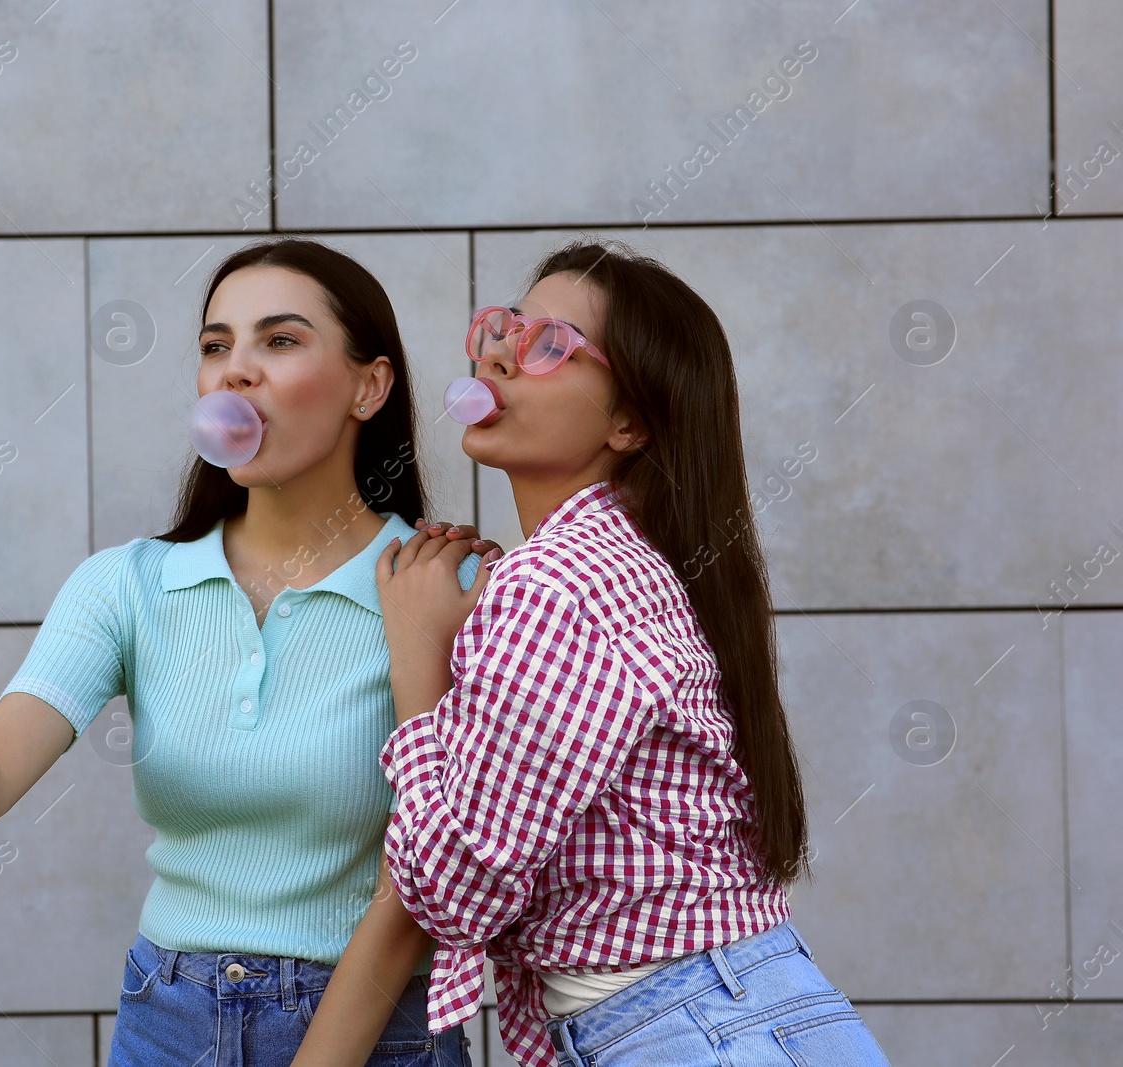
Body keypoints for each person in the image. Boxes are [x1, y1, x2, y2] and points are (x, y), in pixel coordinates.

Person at [0, 237, 497, 1065]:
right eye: (216, 346)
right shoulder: (127, 585)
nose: (235, 371)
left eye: (280, 341)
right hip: (167, 1023)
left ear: (370, 385)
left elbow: (447, 866)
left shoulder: (451, 590)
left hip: (375, 1034)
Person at [366, 239, 892, 1065]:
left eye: (549, 344)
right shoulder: (626, 560)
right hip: (735, 1015)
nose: (499, 349)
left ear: (630, 420)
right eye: (505, 325)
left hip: (696, 1031)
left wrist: (418, 659)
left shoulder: (560, 584)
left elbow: (454, 894)